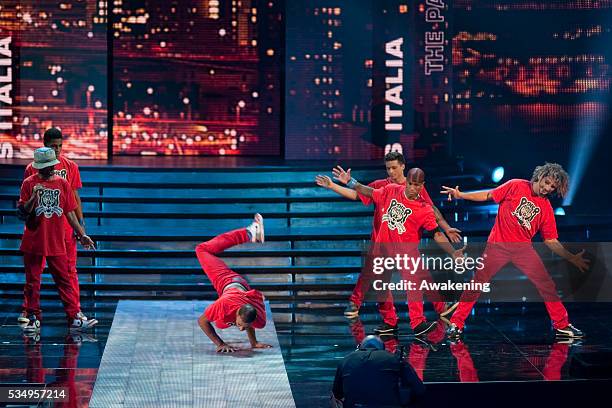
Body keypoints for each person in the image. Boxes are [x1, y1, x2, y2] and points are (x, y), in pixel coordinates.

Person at [441, 163, 590, 339]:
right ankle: (457, 324)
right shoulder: (516, 185)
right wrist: (460, 195)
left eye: (552, 187)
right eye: (547, 182)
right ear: (540, 176)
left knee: (547, 285)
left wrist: (571, 257)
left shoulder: (546, 207)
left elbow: (550, 240)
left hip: (523, 250)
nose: (547, 188)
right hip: (497, 246)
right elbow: (488, 195)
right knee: (477, 284)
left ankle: (562, 326)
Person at [316, 152, 460, 325]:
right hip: (382, 241)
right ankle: (382, 316)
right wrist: (335, 185)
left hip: (406, 244)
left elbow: (432, 211)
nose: (391, 172)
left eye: (394, 168)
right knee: (379, 279)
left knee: (419, 277)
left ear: (403, 167)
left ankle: (437, 310)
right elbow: (359, 193)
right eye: (388, 168)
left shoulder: (416, 187)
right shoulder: (385, 187)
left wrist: (446, 228)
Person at [17, 147, 97, 331]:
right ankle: (32, 317)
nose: (50, 169)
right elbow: (22, 212)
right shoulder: (29, 183)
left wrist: (81, 234)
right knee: (32, 281)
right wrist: (35, 197)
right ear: (38, 167)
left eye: (51, 165)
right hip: (34, 240)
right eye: (46, 166)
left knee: (64, 280)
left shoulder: (62, 183)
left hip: (56, 240)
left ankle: (74, 318)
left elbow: (70, 213)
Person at [196, 214, 273, 353]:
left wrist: (254, 342)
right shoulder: (224, 304)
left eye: (243, 326)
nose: (241, 329)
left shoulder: (259, 319)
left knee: (223, 321)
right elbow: (202, 321)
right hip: (226, 280)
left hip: (241, 289)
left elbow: (249, 318)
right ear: (237, 313)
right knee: (201, 249)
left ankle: (250, 233)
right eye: (239, 324)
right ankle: (249, 233)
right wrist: (220, 343)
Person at [331, 335, 425, 408]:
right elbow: (419, 389)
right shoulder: (394, 359)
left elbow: (337, 394)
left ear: (360, 347)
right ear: (382, 347)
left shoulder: (345, 361)